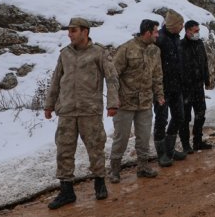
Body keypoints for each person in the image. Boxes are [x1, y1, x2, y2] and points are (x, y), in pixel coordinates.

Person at [44, 17, 119, 209]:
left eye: (73, 30)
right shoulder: (65, 54)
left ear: (85, 32)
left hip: (90, 110)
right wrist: (49, 105)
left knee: (95, 148)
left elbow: (112, 78)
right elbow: (56, 80)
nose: (69, 34)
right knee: (64, 150)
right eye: (69, 30)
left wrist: (112, 103)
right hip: (67, 111)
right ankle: (67, 191)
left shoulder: (99, 52)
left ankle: (100, 183)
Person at [109, 19, 166, 183]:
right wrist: (114, 99)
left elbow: (157, 75)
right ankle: (114, 170)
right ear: (147, 32)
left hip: (145, 102)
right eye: (155, 32)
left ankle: (143, 167)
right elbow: (113, 76)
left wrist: (159, 94)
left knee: (144, 137)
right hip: (125, 102)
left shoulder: (155, 50)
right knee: (121, 138)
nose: (157, 35)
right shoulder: (126, 49)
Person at [153, 10, 187, 166]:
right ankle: (161, 154)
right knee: (161, 119)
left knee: (179, 116)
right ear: (173, 25)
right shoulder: (159, 39)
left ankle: (170, 149)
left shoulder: (176, 38)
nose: (182, 27)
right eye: (180, 24)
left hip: (176, 86)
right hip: (162, 87)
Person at [179, 20, 213, 152]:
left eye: (198, 30)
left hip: (198, 86)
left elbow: (204, 62)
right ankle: (185, 144)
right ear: (188, 31)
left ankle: (198, 141)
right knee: (185, 118)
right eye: (195, 31)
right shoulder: (180, 46)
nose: (198, 33)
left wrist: (207, 79)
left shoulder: (199, 44)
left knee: (201, 114)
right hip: (185, 88)